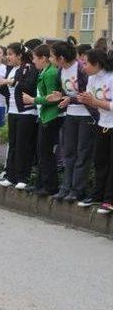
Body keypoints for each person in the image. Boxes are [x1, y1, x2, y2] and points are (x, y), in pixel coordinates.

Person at [50, 39, 95, 203]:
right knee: (68, 152)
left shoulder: (81, 69)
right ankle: (66, 187)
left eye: (53, 56)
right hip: (70, 115)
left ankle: (78, 190)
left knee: (82, 153)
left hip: (86, 116)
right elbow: (66, 93)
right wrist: (60, 97)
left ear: (61, 58)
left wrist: (70, 100)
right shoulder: (60, 71)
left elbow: (87, 96)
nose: (51, 60)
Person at [0, 43, 39, 189]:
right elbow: (8, 90)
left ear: (19, 56)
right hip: (13, 110)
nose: (7, 57)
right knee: (13, 144)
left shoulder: (29, 68)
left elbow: (28, 85)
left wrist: (9, 81)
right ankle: (11, 175)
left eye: (10, 54)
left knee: (23, 145)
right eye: (7, 54)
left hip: (26, 112)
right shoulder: (12, 69)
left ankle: (23, 177)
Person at [75, 49, 113, 213]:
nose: (83, 67)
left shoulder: (111, 78)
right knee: (99, 161)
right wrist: (82, 99)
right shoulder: (91, 78)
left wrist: (94, 101)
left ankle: (109, 200)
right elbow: (92, 102)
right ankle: (97, 195)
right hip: (102, 123)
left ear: (96, 64)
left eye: (86, 63)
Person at [22, 44, 62, 196]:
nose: (33, 62)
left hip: (51, 117)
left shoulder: (50, 73)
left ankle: (50, 186)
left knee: (46, 153)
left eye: (34, 58)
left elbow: (53, 98)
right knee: (41, 153)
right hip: (44, 116)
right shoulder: (44, 71)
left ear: (43, 58)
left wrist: (32, 100)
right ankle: (40, 184)